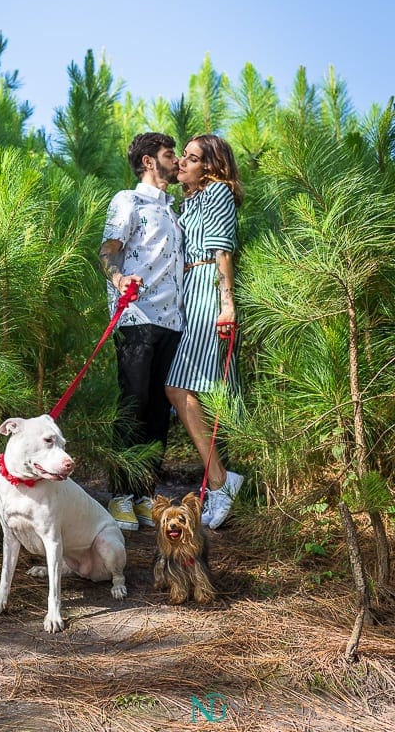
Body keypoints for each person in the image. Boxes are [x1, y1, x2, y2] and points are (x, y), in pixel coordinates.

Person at [99, 132, 184, 531]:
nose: (177, 160)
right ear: (149, 162)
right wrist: (118, 280)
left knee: (157, 409)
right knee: (132, 404)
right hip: (135, 316)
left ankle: (146, 494)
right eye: (170, 154)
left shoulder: (173, 210)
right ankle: (119, 496)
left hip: (172, 322)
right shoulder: (127, 201)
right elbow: (107, 251)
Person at [165, 133, 245, 530]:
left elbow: (222, 252)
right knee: (198, 388)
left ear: (210, 168)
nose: (181, 161)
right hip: (187, 296)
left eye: (191, 158)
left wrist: (227, 303)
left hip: (208, 292)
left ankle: (220, 481)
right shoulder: (189, 200)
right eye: (182, 155)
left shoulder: (217, 194)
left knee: (177, 387)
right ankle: (223, 479)